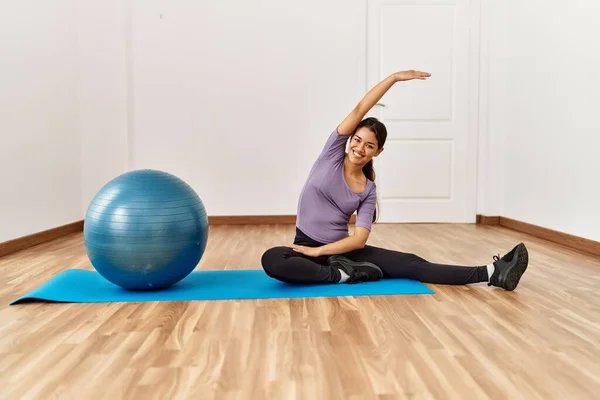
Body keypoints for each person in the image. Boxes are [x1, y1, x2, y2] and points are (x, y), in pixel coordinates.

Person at [261, 70, 528, 291]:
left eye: (369, 145)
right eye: (357, 140)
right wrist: (393, 79)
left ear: (378, 151)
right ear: (349, 140)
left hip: (343, 253)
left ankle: (493, 272)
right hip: (306, 244)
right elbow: (360, 108)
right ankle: (341, 276)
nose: (359, 148)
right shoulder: (331, 155)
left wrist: (321, 254)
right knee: (273, 259)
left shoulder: (368, 189)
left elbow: (358, 241)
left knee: (413, 264)